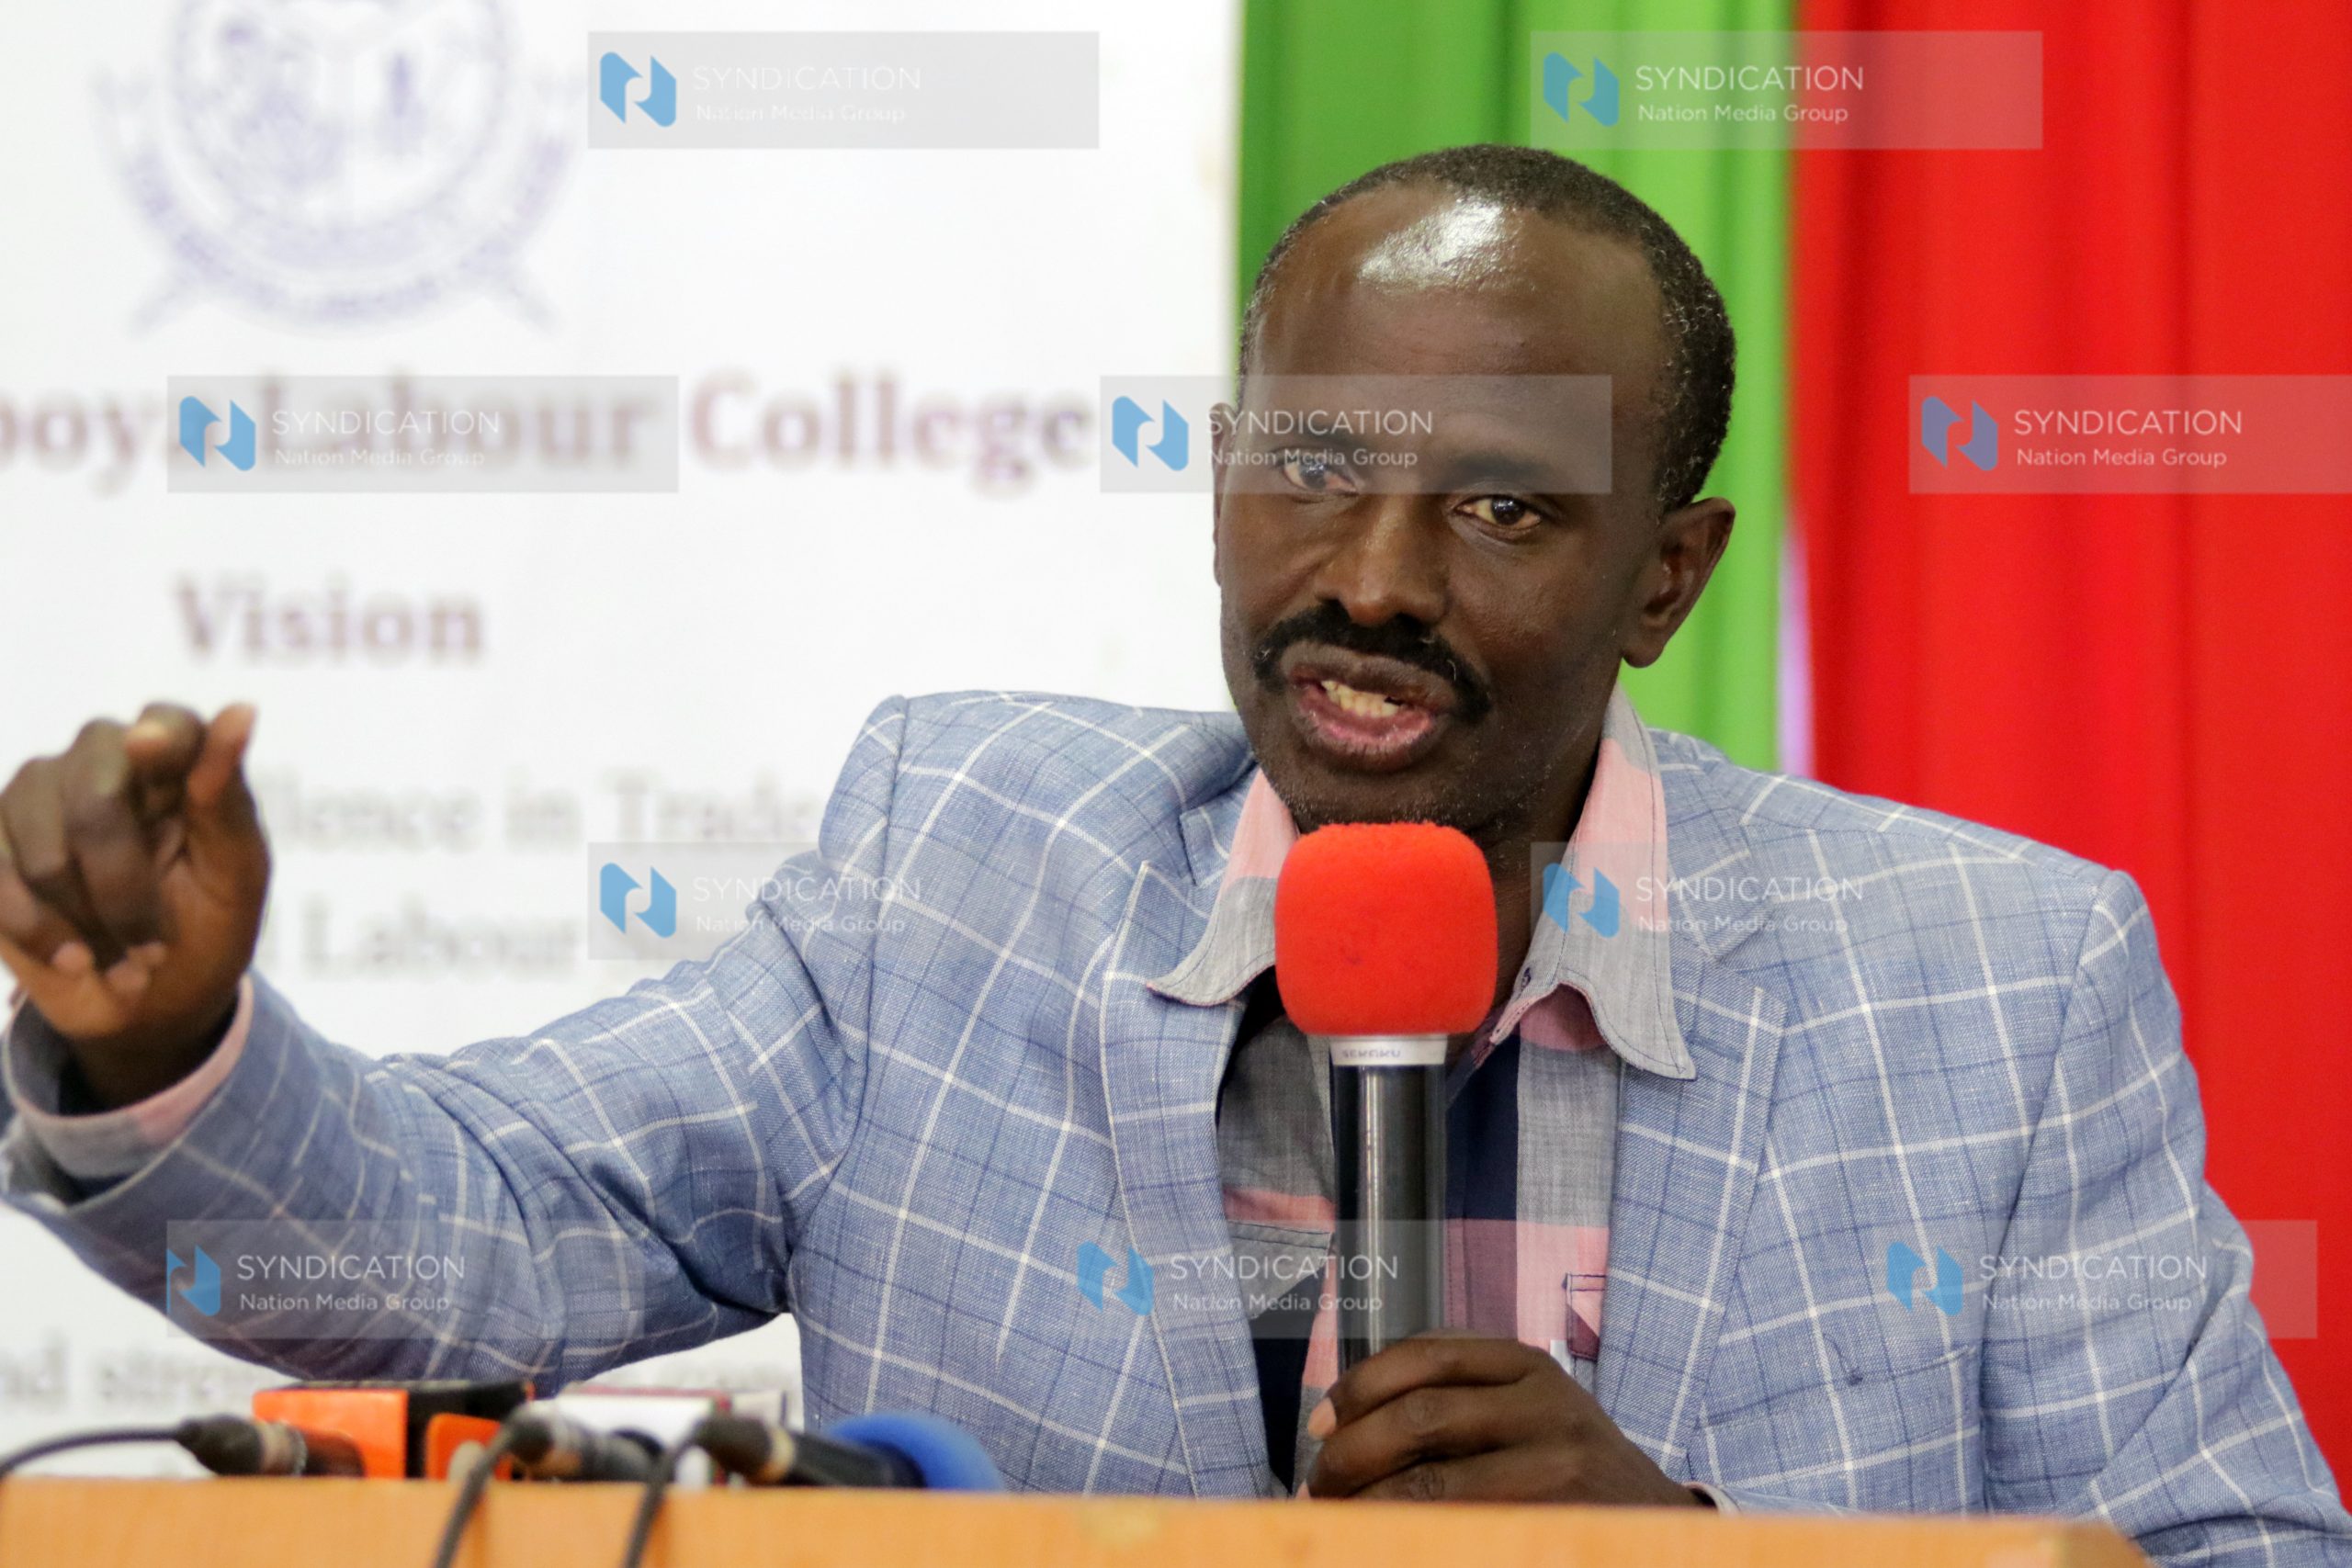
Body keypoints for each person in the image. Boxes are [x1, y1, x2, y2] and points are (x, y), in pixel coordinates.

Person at [2, 146, 2345, 1556]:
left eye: (1504, 507)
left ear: (1665, 574)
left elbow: (2230, 1554)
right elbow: (469, 1240)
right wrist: (175, 1040)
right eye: (1312, 468)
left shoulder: (1989, 978)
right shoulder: (961, 858)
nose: (1373, 577)